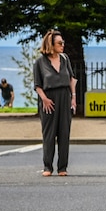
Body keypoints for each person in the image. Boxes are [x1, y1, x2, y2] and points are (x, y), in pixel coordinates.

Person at [33, 29, 77, 177]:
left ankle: (63, 167)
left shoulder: (65, 59)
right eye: (59, 43)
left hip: (65, 96)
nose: (62, 45)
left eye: (63, 42)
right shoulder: (40, 62)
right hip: (48, 98)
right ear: (50, 44)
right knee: (49, 134)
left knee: (64, 133)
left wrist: (73, 98)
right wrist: (44, 99)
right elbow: (37, 84)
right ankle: (47, 167)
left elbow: (72, 79)